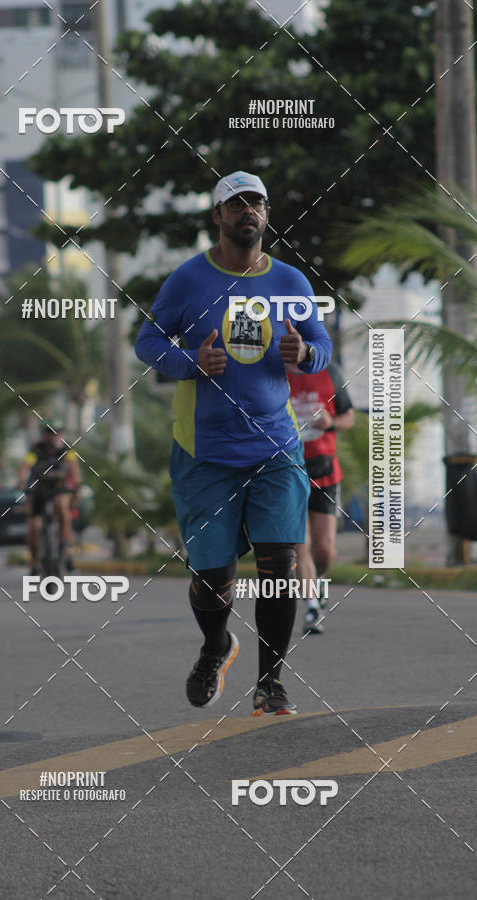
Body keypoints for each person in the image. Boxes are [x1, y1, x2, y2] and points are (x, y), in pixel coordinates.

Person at [135, 171, 332, 715]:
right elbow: (148, 341)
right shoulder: (188, 280)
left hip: (274, 446)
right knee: (212, 576)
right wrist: (190, 362)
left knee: (280, 564)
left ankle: (270, 683)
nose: (249, 211)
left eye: (257, 203)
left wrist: (305, 355)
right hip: (205, 451)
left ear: (267, 214)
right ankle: (216, 645)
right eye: (237, 203)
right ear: (217, 216)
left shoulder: (291, 281)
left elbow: (320, 343)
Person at [287, 362, 354, 634]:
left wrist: (331, 423)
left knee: (325, 550)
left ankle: (318, 580)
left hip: (325, 471)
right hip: (288, 470)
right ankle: (312, 607)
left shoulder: (331, 371)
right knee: (300, 546)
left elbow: (348, 417)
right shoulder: (274, 371)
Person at [18, 421, 81, 575]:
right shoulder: (36, 450)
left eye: (57, 433)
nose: (53, 436)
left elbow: (74, 468)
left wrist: (77, 485)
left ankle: (66, 549)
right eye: (50, 433)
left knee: (62, 506)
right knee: (34, 527)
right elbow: (25, 467)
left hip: (59, 489)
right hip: (38, 492)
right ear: (44, 435)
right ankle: (35, 562)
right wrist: (21, 482)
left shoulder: (67, 450)